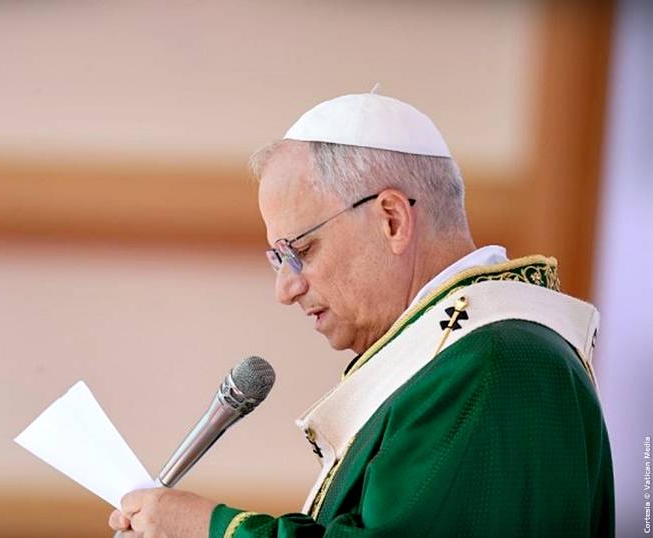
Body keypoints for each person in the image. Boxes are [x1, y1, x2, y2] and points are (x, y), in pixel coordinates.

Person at [109, 91, 615, 537]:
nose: (286, 289)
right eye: (277, 260)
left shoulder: (495, 365)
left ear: (391, 220)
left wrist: (212, 530)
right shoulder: (459, 361)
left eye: (300, 251)